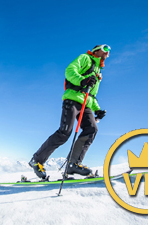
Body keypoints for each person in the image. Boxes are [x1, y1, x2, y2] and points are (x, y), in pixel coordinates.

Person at [29, 45, 111, 179]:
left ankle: (73, 164)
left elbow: (91, 94)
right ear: (97, 50)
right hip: (72, 100)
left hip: (86, 105)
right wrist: (82, 80)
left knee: (92, 129)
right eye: (105, 49)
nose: (108, 53)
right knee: (64, 133)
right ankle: (37, 160)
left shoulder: (98, 70)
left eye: (109, 52)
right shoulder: (85, 58)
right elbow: (70, 71)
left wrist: (98, 109)